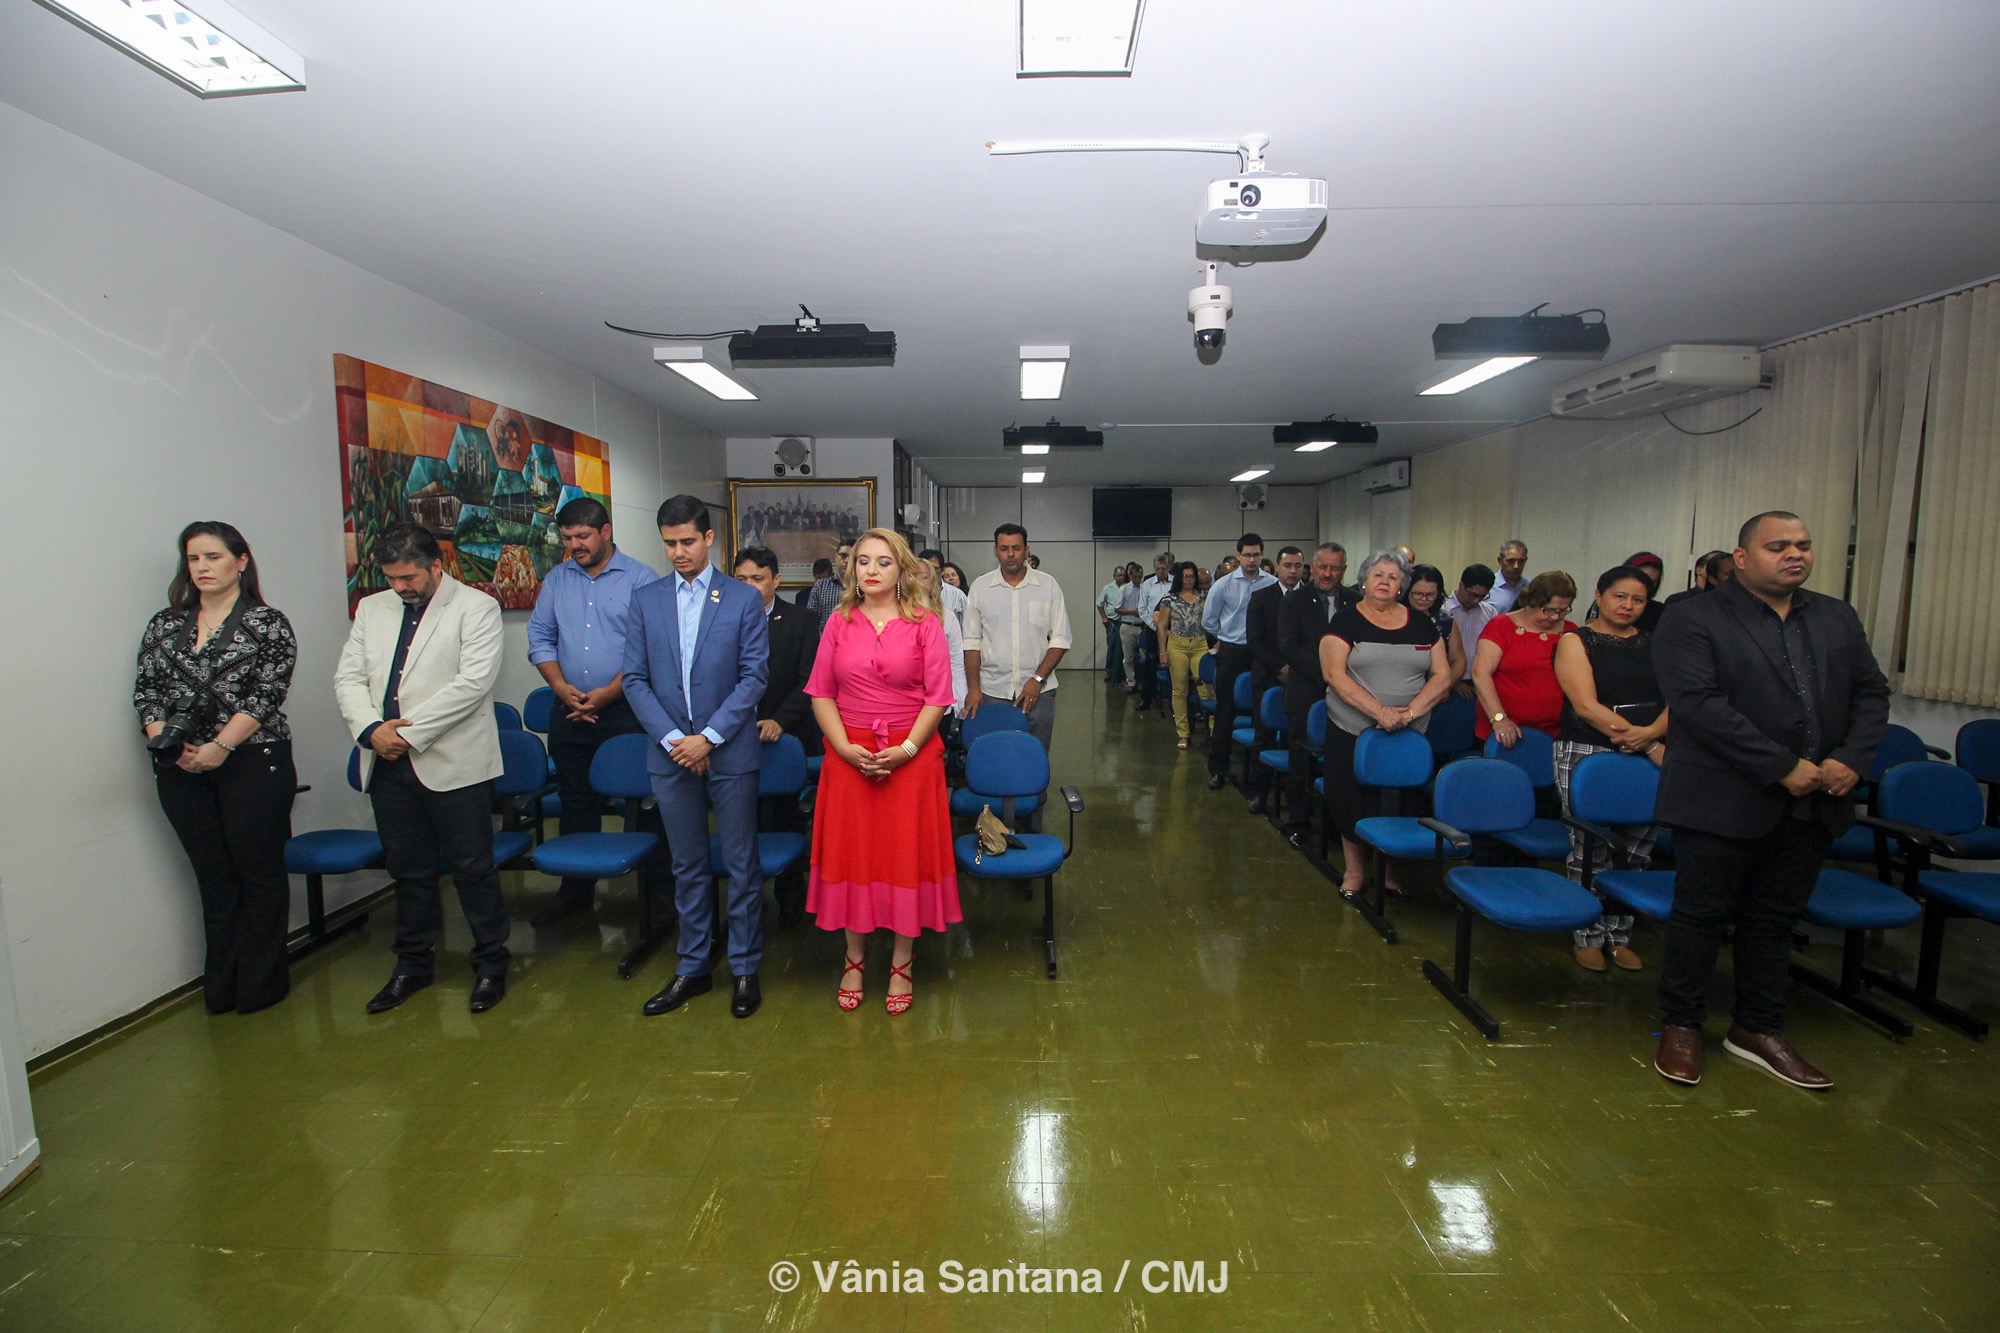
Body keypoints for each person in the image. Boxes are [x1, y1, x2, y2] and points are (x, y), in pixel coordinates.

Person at [1649, 512, 1889, 1091]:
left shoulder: (1834, 615)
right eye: (1778, 546)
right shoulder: (1693, 616)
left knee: (1775, 920)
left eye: (1803, 545)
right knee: (1700, 916)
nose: (1794, 555)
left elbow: (1870, 693)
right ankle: (1681, 1025)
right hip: (1722, 795)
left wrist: (1852, 758)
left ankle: (1757, 1027)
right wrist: (1782, 766)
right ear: (1741, 557)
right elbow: (1698, 704)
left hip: (1814, 798)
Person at [335, 522, 509, 1015]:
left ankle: (491, 963)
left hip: (454, 762)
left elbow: (472, 684)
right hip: (387, 764)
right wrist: (372, 730)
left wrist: (406, 734)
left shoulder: (476, 607)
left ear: (436, 565)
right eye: (392, 578)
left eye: (409, 577)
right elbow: (349, 678)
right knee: (408, 870)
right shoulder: (372, 609)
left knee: (473, 868)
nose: (400, 587)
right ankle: (412, 964)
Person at [134, 521, 298, 1015]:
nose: (202, 568)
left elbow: (267, 693)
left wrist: (221, 746)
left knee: (258, 873)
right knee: (213, 877)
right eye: (193, 559)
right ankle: (222, 986)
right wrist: (167, 743)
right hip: (180, 765)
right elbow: (146, 691)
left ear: (240, 561)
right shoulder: (165, 624)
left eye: (213, 557)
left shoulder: (268, 623)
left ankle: (261, 985)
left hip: (252, 759)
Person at [624, 496, 771, 1020]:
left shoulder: (742, 598)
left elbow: (754, 676)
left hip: (728, 751)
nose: (678, 552)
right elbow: (635, 679)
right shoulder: (646, 600)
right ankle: (693, 966)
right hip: (670, 754)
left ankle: (745, 968)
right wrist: (674, 740)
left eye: (687, 541)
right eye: (669, 543)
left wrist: (707, 737)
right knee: (686, 864)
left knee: (740, 863)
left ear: (709, 538)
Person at [805, 529, 959, 1015]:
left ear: (902, 570)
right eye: (863, 561)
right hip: (848, 755)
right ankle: (853, 960)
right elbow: (821, 693)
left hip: (910, 756)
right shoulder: (838, 621)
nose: (871, 570)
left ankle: (901, 963)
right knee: (855, 858)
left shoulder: (925, 623)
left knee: (902, 858)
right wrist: (843, 748)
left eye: (883, 562)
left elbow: (938, 696)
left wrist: (907, 749)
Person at [524, 497, 660, 926]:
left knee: (644, 801)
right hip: (569, 709)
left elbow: (648, 646)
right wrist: (561, 688)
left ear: (605, 532)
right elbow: (541, 637)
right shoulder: (557, 579)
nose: (574, 546)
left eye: (581, 536)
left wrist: (606, 693)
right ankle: (575, 892)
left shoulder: (640, 578)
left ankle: (659, 893)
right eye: (567, 538)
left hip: (626, 709)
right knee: (575, 800)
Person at [1553, 566, 1670, 973]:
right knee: (1591, 847)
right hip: (1588, 749)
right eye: (1620, 596)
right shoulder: (1576, 641)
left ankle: (1619, 935)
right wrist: (1640, 739)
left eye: (1638, 600)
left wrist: (1650, 737)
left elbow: (1678, 698)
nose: (1628, 606)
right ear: (1600, 595)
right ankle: (1586, 932)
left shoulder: (1654, 643)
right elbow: (1586, 706)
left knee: (1637, 848)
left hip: (1646, 750)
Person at [1319, 550, 1453, 896]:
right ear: (1364, 580)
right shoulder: (1345, 621)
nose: (1385, 582)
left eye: (1393, 577)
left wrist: (1408, 713)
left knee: (1402, 801)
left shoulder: (1422, 624)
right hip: (1353, 729)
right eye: (1378, 575)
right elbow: (1334, 674)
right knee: (1352, 800)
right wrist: (1380, 712)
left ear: (1402, 586)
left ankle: (1389, 872)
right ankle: (1354, 872)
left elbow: (1442, 675)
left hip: (1409, 731)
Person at [734, 545, 822, 927]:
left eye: (757, 579)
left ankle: (790, 896)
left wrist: (779, 721)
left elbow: (809, 679)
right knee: (743, 821)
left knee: (785, 818)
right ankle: (747, 897)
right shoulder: (721, 618)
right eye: (741, 579)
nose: (749, 586)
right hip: (736, 733)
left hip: (787, 735)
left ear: (776, 580)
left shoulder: (801, 620)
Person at [963, 523, 1072, 752]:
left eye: (1016, 548)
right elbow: (972, 642)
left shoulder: (1047, 585)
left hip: (1039, 693)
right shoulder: (981, 587)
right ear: (995, 551)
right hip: (992, 691)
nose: (1010, 554)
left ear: (1027, 550)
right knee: (996, 754)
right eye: (1004, 548)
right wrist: (973, 688)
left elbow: (1061, 639)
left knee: (1035, 755)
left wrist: (1037, 680)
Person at [1277, 542, 1350, 849]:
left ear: (1343, 570)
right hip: (1306, 692)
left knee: (1340, 763)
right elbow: (1288, 646)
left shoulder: (1355, 602)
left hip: (1347, 697)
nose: (1328, 574)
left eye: (1334, 568)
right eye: (1322, 567)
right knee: (1301, 762)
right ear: (1313, 568)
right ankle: (1299, 823)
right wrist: (1328, 674)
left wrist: (1343, 679)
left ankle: (1337, 826)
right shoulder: (1295, 601)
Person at [1472, 571, 1578, 748]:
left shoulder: (1571, 631)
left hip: (1557, 732)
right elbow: (1480, 673)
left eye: (1563, 611)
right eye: (1548, 610)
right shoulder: (1501, 626)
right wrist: (1499, 718)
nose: (1555, 617)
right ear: (1532, 601)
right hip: (1506, 731)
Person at [1202, 534, 1275, 790]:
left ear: (1262, 555)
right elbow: (1208, 621)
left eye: (1256, 555)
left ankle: (1259, 777)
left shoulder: (1272, 584)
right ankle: (1218, 770)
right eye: (1247, 555)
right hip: (1232, 651)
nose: (1252, 560)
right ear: (1239, 556)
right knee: (1225, 711)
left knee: (1261, 712)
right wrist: (1225, 636)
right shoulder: (1224, 585)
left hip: (1262, 653)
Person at [1244, 545, 1306, 812]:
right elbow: (1255, 640)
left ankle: (1296, 799)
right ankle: (1259, 792)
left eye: (1298, 566)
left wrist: (1298, 668)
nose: (1293, 571)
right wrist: (1280, 668)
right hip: (1268, 675)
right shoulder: (1261, 597)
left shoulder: (1311, 598)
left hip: (1303, 677)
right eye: (1287, 566)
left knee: (1298, 739)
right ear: (1277, 567)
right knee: (1264, 736)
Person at [1154, 561, 1207, 750]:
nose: (1189, 580)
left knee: (1206, 688)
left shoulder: (1204, 596)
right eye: (1185, 576)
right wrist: (1163, 652)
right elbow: (1162, 626)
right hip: (1177, 645)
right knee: (1179, 690)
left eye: (1192, 576)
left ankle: (1212, 729)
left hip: (1200, 644)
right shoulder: (1169, 598)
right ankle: (1183, 733)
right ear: (1179, 578)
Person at [1444, 563, 1497, 698]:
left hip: (1481, 680)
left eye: (1482, 597)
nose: (1476, 601)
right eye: (1473, 595)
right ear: (1462, 585)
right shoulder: (1443, 610)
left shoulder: (1490, 612)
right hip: (1448, 681)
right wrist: (1453, 682)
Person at [1132, 555, 1175, 712]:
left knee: (1173, 664)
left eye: (1163, 569)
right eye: (1157, 569)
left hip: (1172, 629)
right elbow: (1142, 609)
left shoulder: (1175, 582)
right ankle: (1146, 699)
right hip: (1152, 629)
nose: (1160, 572)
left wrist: (1166, 628)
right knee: (1149, 665)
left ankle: (1173, 700)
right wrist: (1155, 626)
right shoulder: (1147, 584)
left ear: (1168, 567)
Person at [1115, 562, 1146, 696]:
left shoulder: (1146, 588)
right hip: (1128, 625)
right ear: (1130, 575)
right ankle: (1131, 682)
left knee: (1144, 656)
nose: (1138, 579)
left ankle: (1143, 682)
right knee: (1128, 657)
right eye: (1135, 577)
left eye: (1140, 577)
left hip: (1142, 626)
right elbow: (1117, 609)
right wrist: (1132, 612)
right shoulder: (1124, 589)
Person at [1096, 565, 1128, 684]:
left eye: (1123, 575)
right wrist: (1104, 617)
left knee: (1125, 648)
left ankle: (1122, 673)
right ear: (1114, 576)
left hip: (1125, 621)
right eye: (1119, 575)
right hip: (1113, 622)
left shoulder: (1128, 587)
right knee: (1112, 646)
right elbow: (1099, 603)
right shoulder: (1108, 588)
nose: (1121, 577)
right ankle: (1110, 671)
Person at [1406, 563, 1451, 638]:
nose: (1424, 599)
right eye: (1418, 593)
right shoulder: (1393, 617)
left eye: (1430, 594)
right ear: (1407, 591)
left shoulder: (1446, 620)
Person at [1485, 540, 1530, 612]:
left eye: (1521, 561)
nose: (1516, 566)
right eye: (1511, 560)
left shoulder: (1531, 587)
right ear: (1499, 560)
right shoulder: (1487, 585)